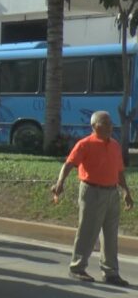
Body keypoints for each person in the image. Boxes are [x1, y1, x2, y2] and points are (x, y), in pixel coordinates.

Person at [52, 111, 132, 286]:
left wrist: (126, 191)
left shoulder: (115, 145)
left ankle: (110, 272)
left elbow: (119, 171)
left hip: (112, 193)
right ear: (95, 126)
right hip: (92, 191)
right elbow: (69, 164)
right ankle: (77, 268)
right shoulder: (85, 144)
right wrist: (60, 183)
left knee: (110, 235)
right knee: (88, 231)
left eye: (111, 123)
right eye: (106, 123)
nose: (111, 126)